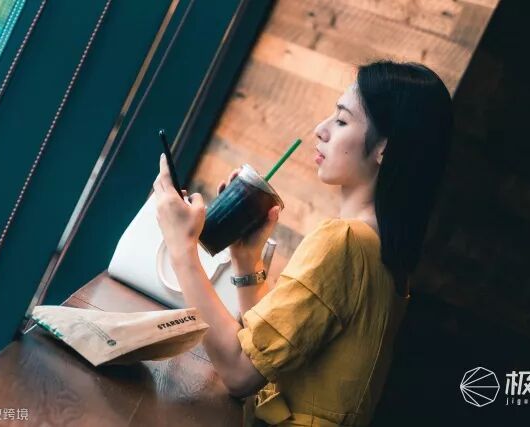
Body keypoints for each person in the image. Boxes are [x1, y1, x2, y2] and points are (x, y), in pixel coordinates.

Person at [152, 60, 453, 426]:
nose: (320, 130)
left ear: (384, 148)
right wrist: (247, 260)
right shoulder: (384, 255)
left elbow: (239, 373)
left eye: (341, 121)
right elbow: (271, 353)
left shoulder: (344, 242)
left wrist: (182, 247)